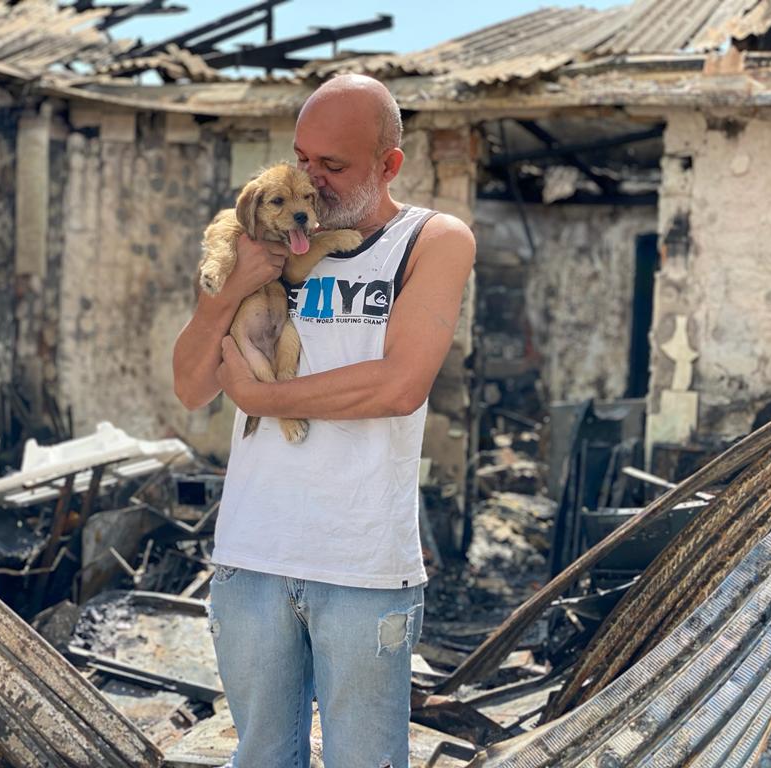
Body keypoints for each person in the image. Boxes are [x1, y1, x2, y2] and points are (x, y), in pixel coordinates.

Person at [172, 74, 475, 768]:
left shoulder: (431, 240)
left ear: (388, 164)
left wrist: (263, 398)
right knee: (262, 760)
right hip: (251, 556)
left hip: (362, 568)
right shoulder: (266, 237)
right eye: (302, 159)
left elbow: (399, 385)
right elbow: (191, 387)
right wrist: (232, 289)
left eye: (331, 167)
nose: (310, 181)